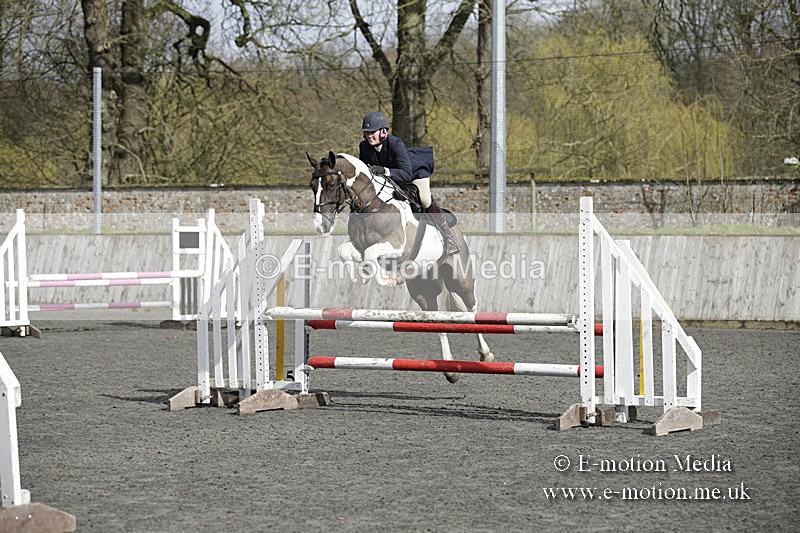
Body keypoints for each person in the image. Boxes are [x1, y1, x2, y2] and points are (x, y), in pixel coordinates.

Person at [358, 111, 460, 255]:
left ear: (383, 132)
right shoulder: (364, 147)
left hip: (414, 174)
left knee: (425, 200)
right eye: (366, 132)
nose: (369, 136)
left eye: (372, 132)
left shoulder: (395, 144)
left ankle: (449, 237)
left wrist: (385, 171)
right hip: (391, 178)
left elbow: (406, 173)